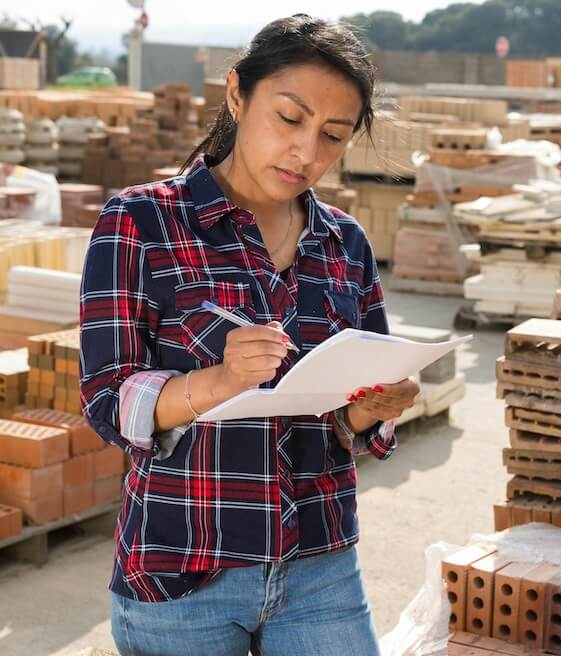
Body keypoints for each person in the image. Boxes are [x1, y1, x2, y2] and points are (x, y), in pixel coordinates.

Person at [79, 15, 419, 656]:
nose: (307, 153)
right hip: (183, 570)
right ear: (237, 94)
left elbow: (353, 408)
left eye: (333, 136)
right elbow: (106, 402)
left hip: (320, 564)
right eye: (289, 119)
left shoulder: (344, 243)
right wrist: (219, 382)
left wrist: (369, 410)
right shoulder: (141, 222)